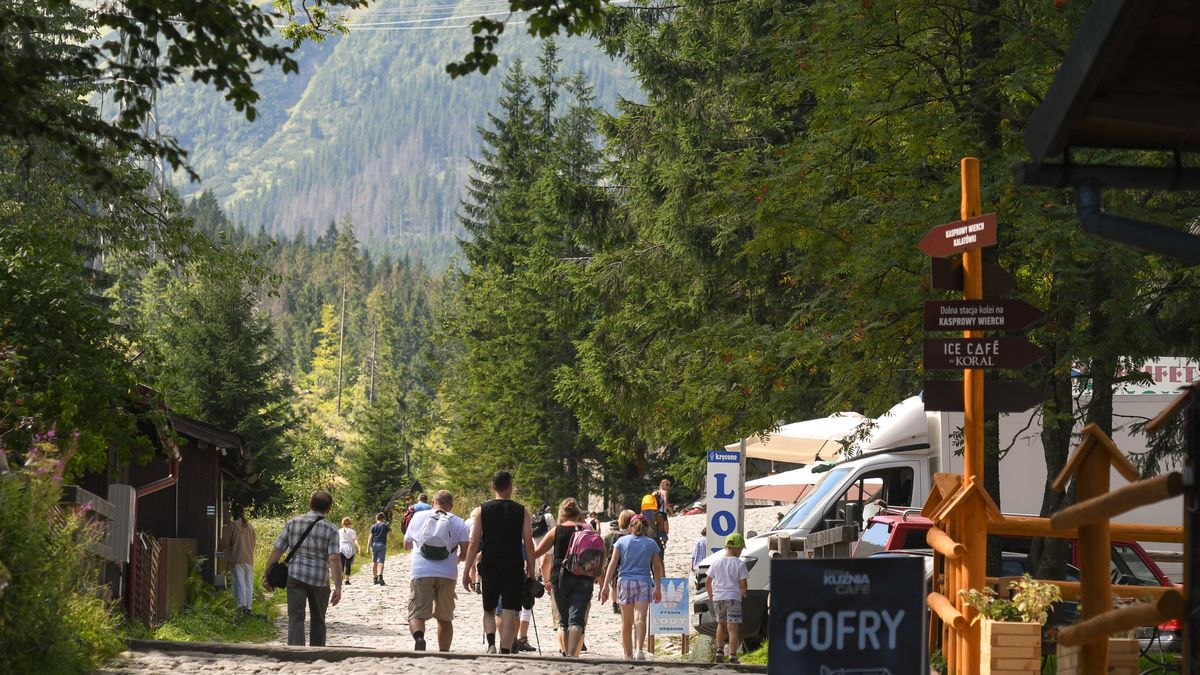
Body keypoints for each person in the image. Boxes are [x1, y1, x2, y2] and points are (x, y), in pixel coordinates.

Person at [461, 470, 536, 655]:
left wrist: (465, 571)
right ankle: (505, 649)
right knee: (510, 610)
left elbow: (473, 543)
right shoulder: (522, 511)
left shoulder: (481, 511)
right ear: (511, 486)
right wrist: (532, 572)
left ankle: (491, 644)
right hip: (513, 564)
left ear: (492, 486)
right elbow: (529, 544)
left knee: (489, 609)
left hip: (490, 564)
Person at [263, 491, 342, 646]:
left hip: (295, 576)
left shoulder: (293, 523)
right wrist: (338, 587)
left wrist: (267, 575)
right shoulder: (331, 529)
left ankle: (296, 653)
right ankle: (317, 652)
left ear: (310, 504)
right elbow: (334, 558)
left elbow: (277, 550)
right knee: (318, 619)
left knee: (296, 617)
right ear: (328, 509)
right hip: (320, 580)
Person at [532, 498, 600, 658]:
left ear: (561, 513)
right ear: (578, 513)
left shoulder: (556, 531)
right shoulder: (588, 529)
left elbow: (539, 554)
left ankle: (565, 654)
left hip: (560, 577)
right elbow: (597, 553)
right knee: (577, 620)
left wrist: (545, 579)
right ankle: (572, 655)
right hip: (584, 577)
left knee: (563, 621)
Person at [404, 489, 470, 652]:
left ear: (433, 503)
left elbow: (406, 544)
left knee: (416, 614)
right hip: (447, 574)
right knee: (444, 618)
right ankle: (444, 654)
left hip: (421, 572)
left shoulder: (418, 517)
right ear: (451, 506)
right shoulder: (459, 522)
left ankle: (419, 638)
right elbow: (465, 551)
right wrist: (456, 559)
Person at [599, 513, 663, 660]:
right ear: (646, 528)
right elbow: (656, 567)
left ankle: (627, 655)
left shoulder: (621, 541)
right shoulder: (651, 543)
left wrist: (605, 586)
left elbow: (612, 564)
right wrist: (658, 587)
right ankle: (639, 650)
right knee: (640, 618)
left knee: (626, 622)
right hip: (644, 582)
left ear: (630, 527)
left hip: (625, 582)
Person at [705, 533, 749, 664]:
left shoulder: (716, 562)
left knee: (721, 625)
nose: (741, 551)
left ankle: (719, 651)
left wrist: (711, 595)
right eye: (741, 549)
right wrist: (744, 591)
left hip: (718, 598)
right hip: (733, 598)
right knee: (732, 628)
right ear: (735, 548)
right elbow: (743, 583)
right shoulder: (739, 564)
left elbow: (708, 581)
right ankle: (732, 656)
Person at [220, 504, 256, 615]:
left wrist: (219, 548)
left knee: (239, 582)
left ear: (233, 514)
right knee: (248, 584)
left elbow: (225, 542)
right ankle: (248, 607)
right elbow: (253, 543)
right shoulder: (250, 527)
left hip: (237, 558)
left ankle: (241, 606)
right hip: (249, 558)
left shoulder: (233, 526)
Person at [603, 509, 635, 614]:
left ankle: (615, 604)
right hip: (632, 569)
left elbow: (611, 555)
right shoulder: (637, 537)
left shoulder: (616, 536)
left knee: (614, 586)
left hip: (617, 567)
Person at [368, 512, 392, 585]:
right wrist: (393, 544)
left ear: (376, 518)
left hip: (374, 545)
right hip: (382, 545)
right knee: (381, 561)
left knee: (374, 562)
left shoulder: (373, 526)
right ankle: (380, 576)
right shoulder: (385, 525)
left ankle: (375, 578)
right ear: (383, 518)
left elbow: (370, 538)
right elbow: (391, 534)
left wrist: (367, 548)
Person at [338, 517, 360, 586]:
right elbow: (355, 540)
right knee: (348, 565)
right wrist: (358, 547)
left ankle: (340, 579)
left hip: (341, 548)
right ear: (350, 523)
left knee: (341, 565)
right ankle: (347, 580)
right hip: (349, 548)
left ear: (342, 523)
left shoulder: (339, 531)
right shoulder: (352, 531)